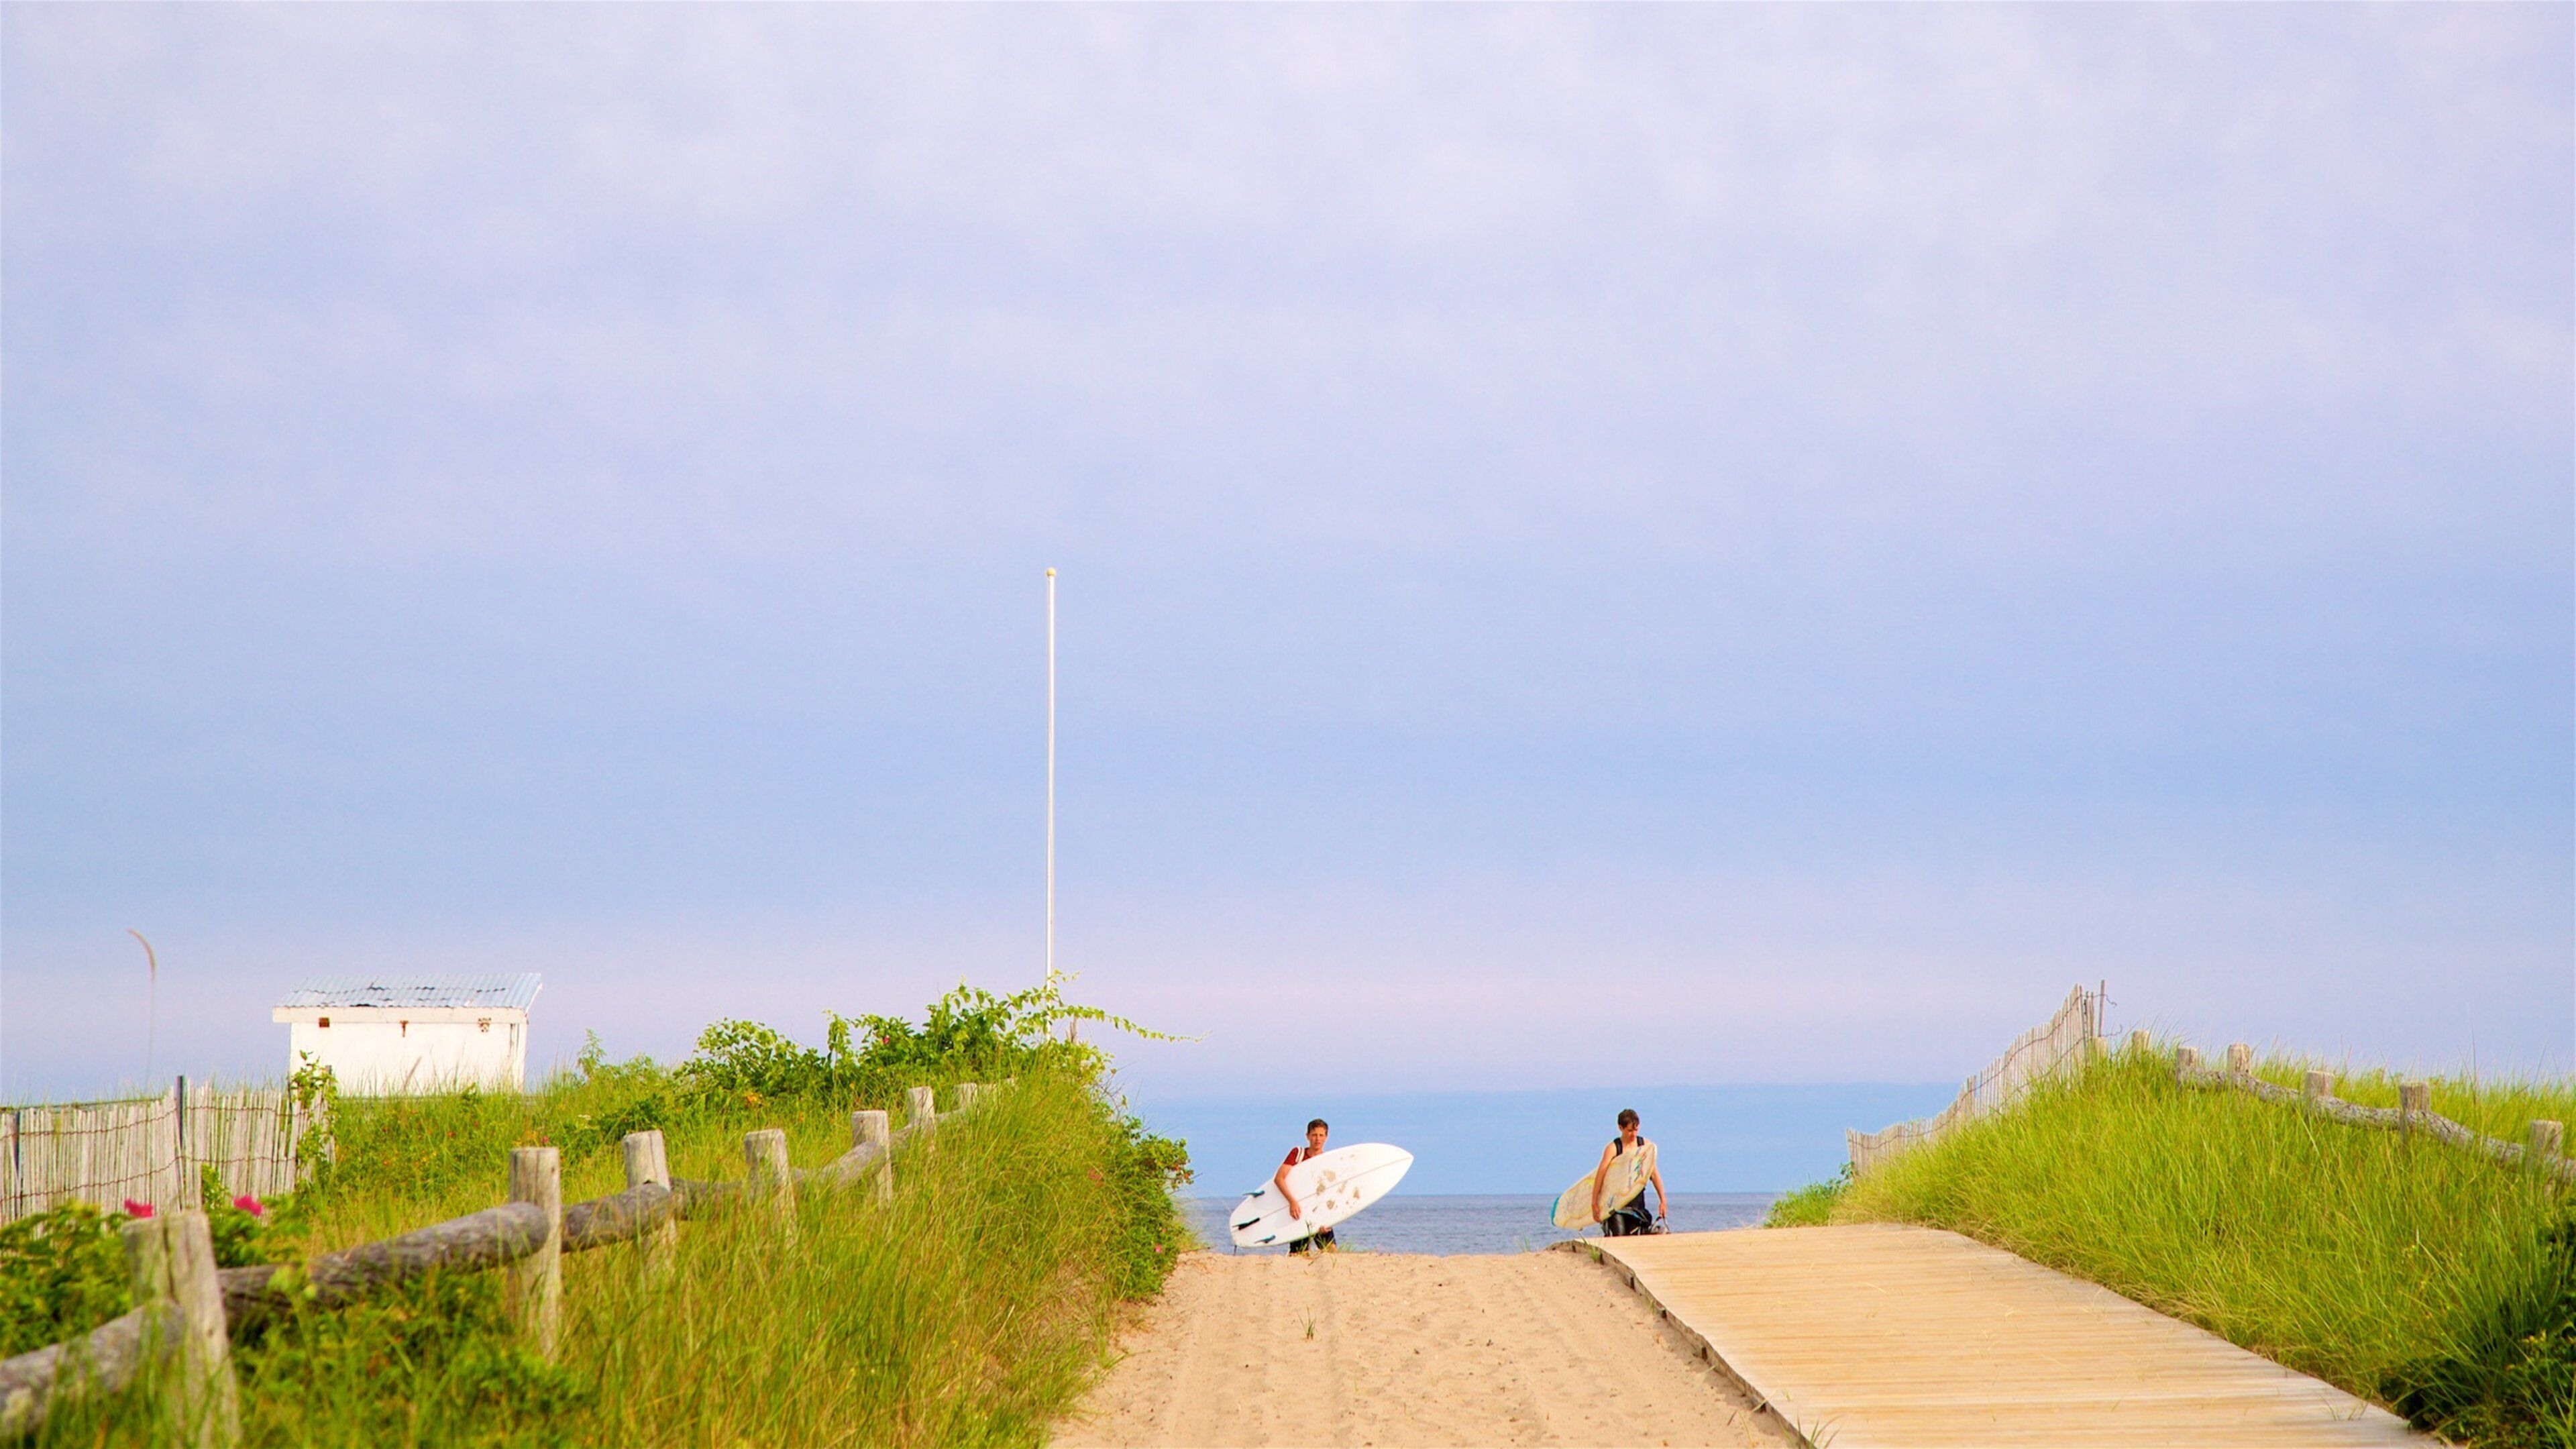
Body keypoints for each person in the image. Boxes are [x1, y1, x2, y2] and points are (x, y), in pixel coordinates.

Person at [1591, 1108, 1668, 1237]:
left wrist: (1663, 1200)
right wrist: (1594, 1203)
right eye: (1630, 1131)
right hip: (1616, 1206)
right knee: (1619, 1236)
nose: (1633, 1134)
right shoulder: (1614, 1148)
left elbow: (1653, 1174)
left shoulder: (1644, 1146)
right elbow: (1601, 1175)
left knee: (1634, 1237)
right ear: (1620, 1127)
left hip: (1637, 1204)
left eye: (1636, 1130)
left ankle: (1650, 1231)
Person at [1276, 1117, 1337, 1254]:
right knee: (1298, 1255)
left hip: (1319, 1214)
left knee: (1332, 1253)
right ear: (1308, 1136)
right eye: (1314, 1135)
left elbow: (1329, 1194)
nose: (1318, 1139)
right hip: (1299, 1214)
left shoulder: (1327, 1161)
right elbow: (1279, 1179)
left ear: (1326, 1137)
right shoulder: (1298, 1154)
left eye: (1321, 1135)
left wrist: (1328, 1219)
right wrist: (1292, 1202)